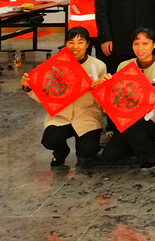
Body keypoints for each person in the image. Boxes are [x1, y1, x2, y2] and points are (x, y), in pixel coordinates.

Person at [21, 27, 106, 168]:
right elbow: (45, 95)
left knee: (87, 152)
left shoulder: (98, 66)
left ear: (88, 45)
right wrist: (28, 87)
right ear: (65, 43)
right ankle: (61, 150)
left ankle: (86, 148)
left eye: (80, 42)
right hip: (61, 116)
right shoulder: (55, 65)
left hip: (87, 116)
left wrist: (101, 88)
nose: (75, 47)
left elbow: (104, 100)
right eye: (71, 42)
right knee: (50, 140)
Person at [101, 27, 155, 169]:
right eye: (136, 44)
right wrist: (106, 85)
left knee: (132, 125)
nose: (140, 48)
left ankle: (152, 155)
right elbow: (117, 97)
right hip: (130, 117)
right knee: (110, 155)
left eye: (145, 43)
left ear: (154, 44)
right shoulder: (124, 66)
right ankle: (141, 144)